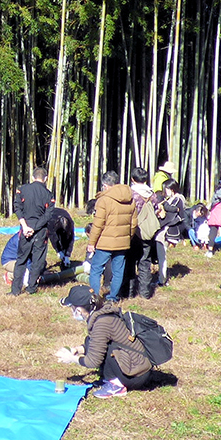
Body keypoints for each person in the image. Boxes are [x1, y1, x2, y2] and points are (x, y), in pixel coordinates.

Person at [60, 286, 157, 399]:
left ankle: (116, 385)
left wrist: (72, 359)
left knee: (106, 348)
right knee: (91, 340)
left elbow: (93, 361)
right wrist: (77, 350)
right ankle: (112, 379)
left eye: (72, 308)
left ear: (79, 310)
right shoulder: (102, 313)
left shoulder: (101, 324)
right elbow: (94, 343)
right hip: (138, 366)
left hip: (135, 375)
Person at [86, 171, 137, 302]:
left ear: (105, 185)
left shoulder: (104, 200)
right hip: (123, 242)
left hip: (104, 242)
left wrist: (92, 243)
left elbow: (98, 225)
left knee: (96, 269)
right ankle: (113, 297)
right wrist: (127, 238)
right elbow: (133, 223)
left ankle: (95, 297)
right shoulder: (130, 199)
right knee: (118, 271)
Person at [11, 165, 54, 296]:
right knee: (37, 260)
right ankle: (31, 288)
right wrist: (34, 228)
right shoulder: (48, 194)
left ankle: (15, 290)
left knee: (21, 260)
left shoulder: (22, 189)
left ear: (32, 177)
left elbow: (17, 208)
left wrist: (25, 226)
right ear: (45, 178)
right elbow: (48, 215)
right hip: (40, 231)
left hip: (25, 229)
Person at [127, 167, 162, 299]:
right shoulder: (152, 194)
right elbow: (158, 210)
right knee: (145, 262)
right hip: (148, 233)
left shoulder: (130, 194)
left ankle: (130, 293)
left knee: (130, 262)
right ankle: (145, 293)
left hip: (133, 232)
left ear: (132, 179)